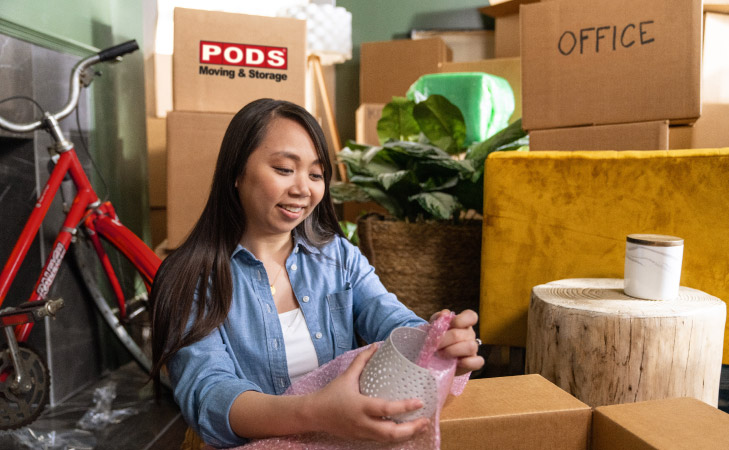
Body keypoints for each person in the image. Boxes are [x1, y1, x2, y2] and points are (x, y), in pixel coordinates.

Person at [150, 98, 484, 449]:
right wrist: (316, 411)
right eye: (283, 169)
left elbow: (388, 318)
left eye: (316, 174)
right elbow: (210, 396)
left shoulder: (338, 256)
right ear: (236, 173)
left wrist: (435, 339)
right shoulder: (191, 278)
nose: (303, 189)